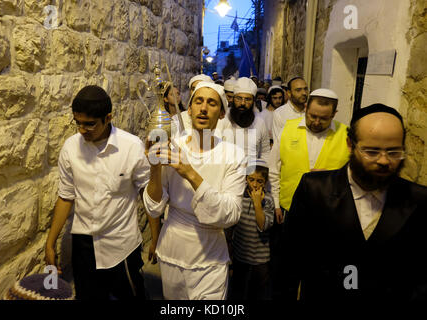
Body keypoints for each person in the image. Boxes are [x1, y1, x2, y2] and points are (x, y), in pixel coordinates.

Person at [281, 104, 427, 302]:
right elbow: (289, 263)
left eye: (393, 152)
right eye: (372, 151)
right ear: (350, 144)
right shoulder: (315, 190)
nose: (384, 161)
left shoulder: (417, 199)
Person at [45, 85, 160, 300]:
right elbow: (65, 196)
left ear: (108, 118)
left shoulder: (131, 147)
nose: (81, 130)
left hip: (121, 245)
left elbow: (149, 197)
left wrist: (155, 238)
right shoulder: (70, 148)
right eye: (77, 123)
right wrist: (50, 244)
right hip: (83, 246)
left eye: (89, 124)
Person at [142, 81, 247, 300]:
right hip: (173, 250)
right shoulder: (173, 146)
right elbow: (154, 207)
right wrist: (154, 168)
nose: (203, 108)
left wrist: (189, 172)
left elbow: (230, 214)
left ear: (221, 114)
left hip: (210, 255)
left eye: (211, 103)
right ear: (189, 110)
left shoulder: (233, 155)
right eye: (198, 101)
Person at [268, 88, 349, 299]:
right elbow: (274, 170)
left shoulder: (346, 135)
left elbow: (353, 177)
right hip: (289, 212)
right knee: (286, 270)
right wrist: (276, 203)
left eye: (323, 118)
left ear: (334, 114)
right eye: (312, 116)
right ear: (305, 109)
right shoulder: (288, 129)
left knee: (319, 275)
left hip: (328, 217)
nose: (316, 122)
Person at [230, 159, 275, 300]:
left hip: (260, 259)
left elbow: (263, 226)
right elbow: (232, 223)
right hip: (240, 254)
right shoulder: (238, 196)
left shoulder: (268, 200)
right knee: (237, 290)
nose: (254, 185)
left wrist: (257, 204)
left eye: (259, 181)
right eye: (251, 179)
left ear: (265, 182)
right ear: (246, 179)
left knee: (257, 294)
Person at [222, 77, 271, 164]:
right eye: (239, 98)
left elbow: (265, 152)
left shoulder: (260, 122)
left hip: (251, 173)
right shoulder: (223, 118)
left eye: (247, 99)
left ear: (253, 101)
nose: (242, 103)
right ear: (233, 99)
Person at [271, 77, 308, 143]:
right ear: (289, 93)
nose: (304, 93)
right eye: (298, 90)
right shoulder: (280, 113)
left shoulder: (311, 111)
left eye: (305, 89)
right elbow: (279, 142)